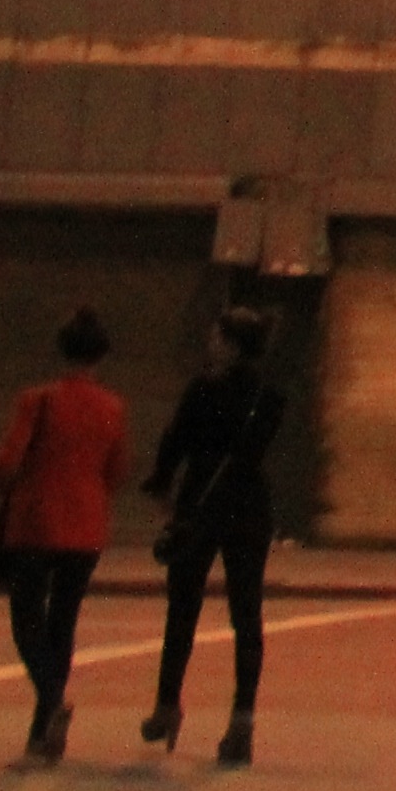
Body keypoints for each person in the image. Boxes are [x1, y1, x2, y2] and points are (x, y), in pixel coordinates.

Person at [142, 307, 285, 764]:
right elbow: (251, 453)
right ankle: (241, 722)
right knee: (247, 614)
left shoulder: (203, 389)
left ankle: (167, 704)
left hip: (200, 504)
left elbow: (174, 440)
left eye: (217, 334)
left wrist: (162, 487)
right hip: (247, 506)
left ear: (229, 342)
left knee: (182, 607)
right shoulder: (270, 395)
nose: (210, 340)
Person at [0, 310, 129, 763]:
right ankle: (43, 737)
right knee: (63, 623)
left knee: (26, 620)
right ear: (101, 355)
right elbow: (118, 470)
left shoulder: (38, 400)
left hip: (36, 523)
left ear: (60, 349)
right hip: (87, 525)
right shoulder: (113, 407)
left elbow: (7, 462)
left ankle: (52, 704)